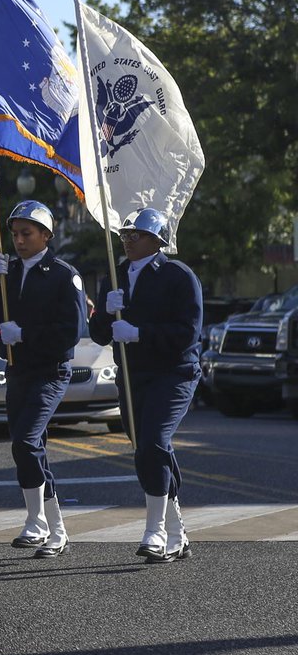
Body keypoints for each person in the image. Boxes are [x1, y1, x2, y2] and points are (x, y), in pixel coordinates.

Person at [89, 208, 202, 563]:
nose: (126, 240)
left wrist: (140, 333)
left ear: (157, 239)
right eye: (124, 234)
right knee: (147, 447)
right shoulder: (115, 273)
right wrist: (106, 313)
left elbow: (188, 333)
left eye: (134, 235)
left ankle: (154, 532)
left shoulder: (178, 275)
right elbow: (97, 334)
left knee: (153, 439)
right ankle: (176, 530)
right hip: (132, 373)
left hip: (173, 373)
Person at [0, 200, 85, 559]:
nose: (19, 240)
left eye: (27, 233)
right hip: (18, 369)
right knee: (28, 446)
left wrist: (24, 334)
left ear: (45, 236)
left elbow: (69, 332)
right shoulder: (8, 272)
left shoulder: (62, 274)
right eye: (15, 234)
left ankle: (43, 524)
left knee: (26, 441)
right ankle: (48, 528)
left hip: (50, 370)